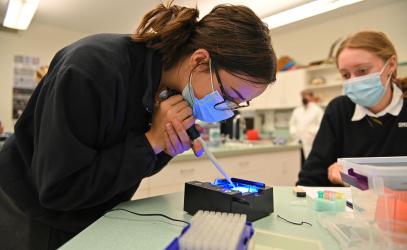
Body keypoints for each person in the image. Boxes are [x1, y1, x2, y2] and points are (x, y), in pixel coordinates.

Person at [0, 2, 276, 250]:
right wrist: (151, 142)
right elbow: (59, 189)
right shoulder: (91, 70)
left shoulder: (174, 90)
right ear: (200, 60)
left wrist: (165, 146)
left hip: (92, 212)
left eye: (238, 105)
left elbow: (127, 168)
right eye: (228, 96)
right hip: (29, 210)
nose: (227, 112)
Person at [297, 31, 407, 186]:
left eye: (362, 71)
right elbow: (309, 180)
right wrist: (332, 174)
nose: (353, 81)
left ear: (391, 64)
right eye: (346, 75)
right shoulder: (339, 109)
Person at [289, 90, 324, 165]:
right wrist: (294, 132)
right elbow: (292, 124)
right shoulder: (297, 110)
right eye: (302, 96)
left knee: (311, 163)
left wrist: (311, 132)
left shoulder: (317, 110)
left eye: (306, 96)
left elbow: (322, 125)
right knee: (299, 163)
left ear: (311, 97)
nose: (304, 98)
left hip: (311, 141)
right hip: (298, 141)